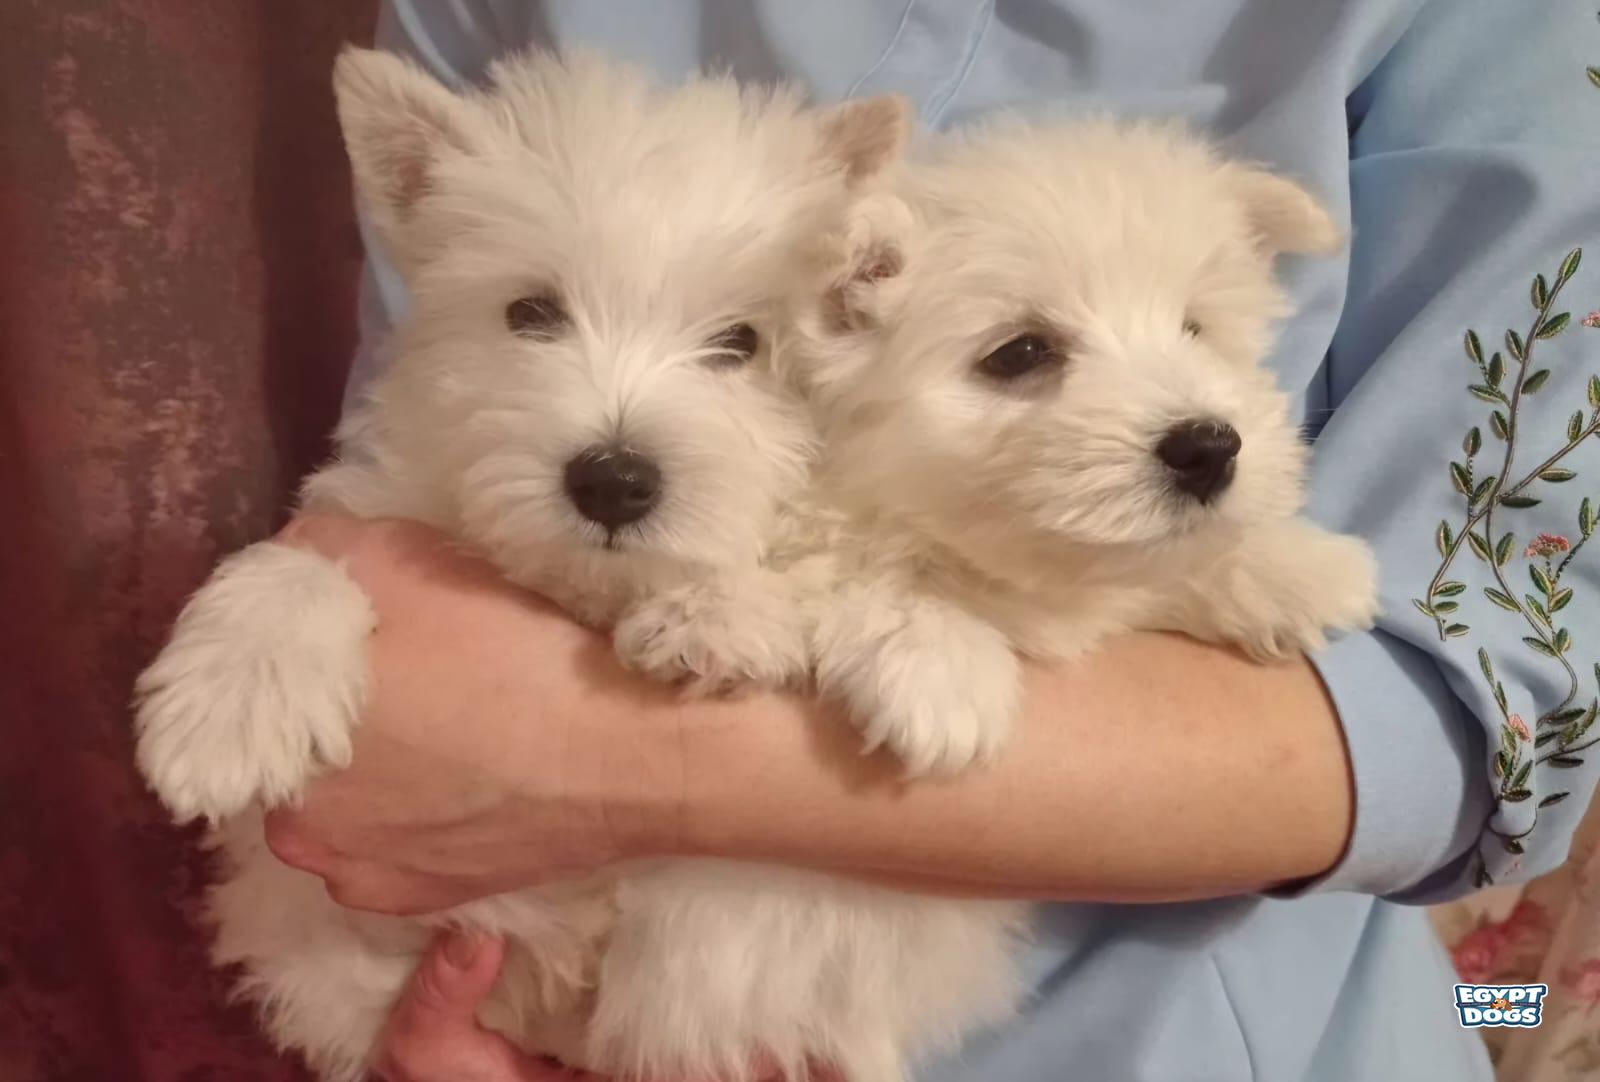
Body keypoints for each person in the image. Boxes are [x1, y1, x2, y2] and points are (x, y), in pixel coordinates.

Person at [266, 1, 1600, 1078]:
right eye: (1024, 353)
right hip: (534, 990)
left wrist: (637, 767)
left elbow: (1493, 707)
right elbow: (435, 452)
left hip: (1208, 1026)